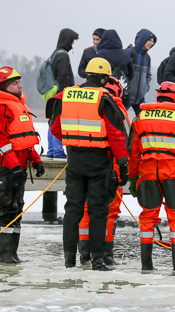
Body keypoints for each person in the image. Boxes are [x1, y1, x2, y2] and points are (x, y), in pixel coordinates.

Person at [48, 57, 129, 271]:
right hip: (99, 163)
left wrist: (73, 140)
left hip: (74, 161)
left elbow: (55, 128)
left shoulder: (68, 95)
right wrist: (122, 163)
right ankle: (98, 261)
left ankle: (69, 260)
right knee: (98, 211)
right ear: (104, 79)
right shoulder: (104, 97)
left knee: (73, 210)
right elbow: (116, 134)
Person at [128, 82, 175, 271]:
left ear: (159, 96)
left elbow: (132, 152)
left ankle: (146, 266)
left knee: (147, 218)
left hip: (148, 173)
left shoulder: (139, 118)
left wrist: (133, 178)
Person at [77, 77, 130, 266]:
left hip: (83, 164)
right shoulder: (117, 108)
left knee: (85, 210)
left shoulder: (85, 105)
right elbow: (125, 139)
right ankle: (106, 254)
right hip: (111, 167)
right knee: (109, 210)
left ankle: (83, 254)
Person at [0, 67, 44, 263]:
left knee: (17, 209)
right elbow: (0, 139)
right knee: (7, 209)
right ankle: (5, 256)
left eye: (19, 82)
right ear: (4, 86)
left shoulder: (20, 105)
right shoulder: (1, 107)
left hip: (20, 168)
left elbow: (24, 139)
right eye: (15, 83)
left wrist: (36, 159)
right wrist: (14, 165)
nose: (20, 85)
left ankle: (13, 254)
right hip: (6, 168)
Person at [48, 28, 79, 160]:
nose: (72, 44)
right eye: (72, 41)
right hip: (61, 94)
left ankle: (52, 150)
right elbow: (63, 77)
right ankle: (57, 151)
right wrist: (65, 94)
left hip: (54, 93)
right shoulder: (63, 56)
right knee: (58, 121)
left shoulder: (55, 53)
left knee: (52, 119)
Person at [96, 29, 134, 109]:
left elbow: (95, 74)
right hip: (122, 92)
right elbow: (131, 74)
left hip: (105, 93)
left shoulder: (100, 54)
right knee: (122, 114)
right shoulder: (125, 54)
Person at [129, 29, 157, 116]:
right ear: (142, 39)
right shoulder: (130, 53)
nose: (151, 43)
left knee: (146, 121)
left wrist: (145, 88)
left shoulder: (147, 58)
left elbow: (148, 76)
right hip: (127, 97)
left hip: (140, 98)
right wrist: (125, 89)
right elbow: (121, 72)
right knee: (119, 120)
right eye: (150, 40)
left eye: (152, 41)